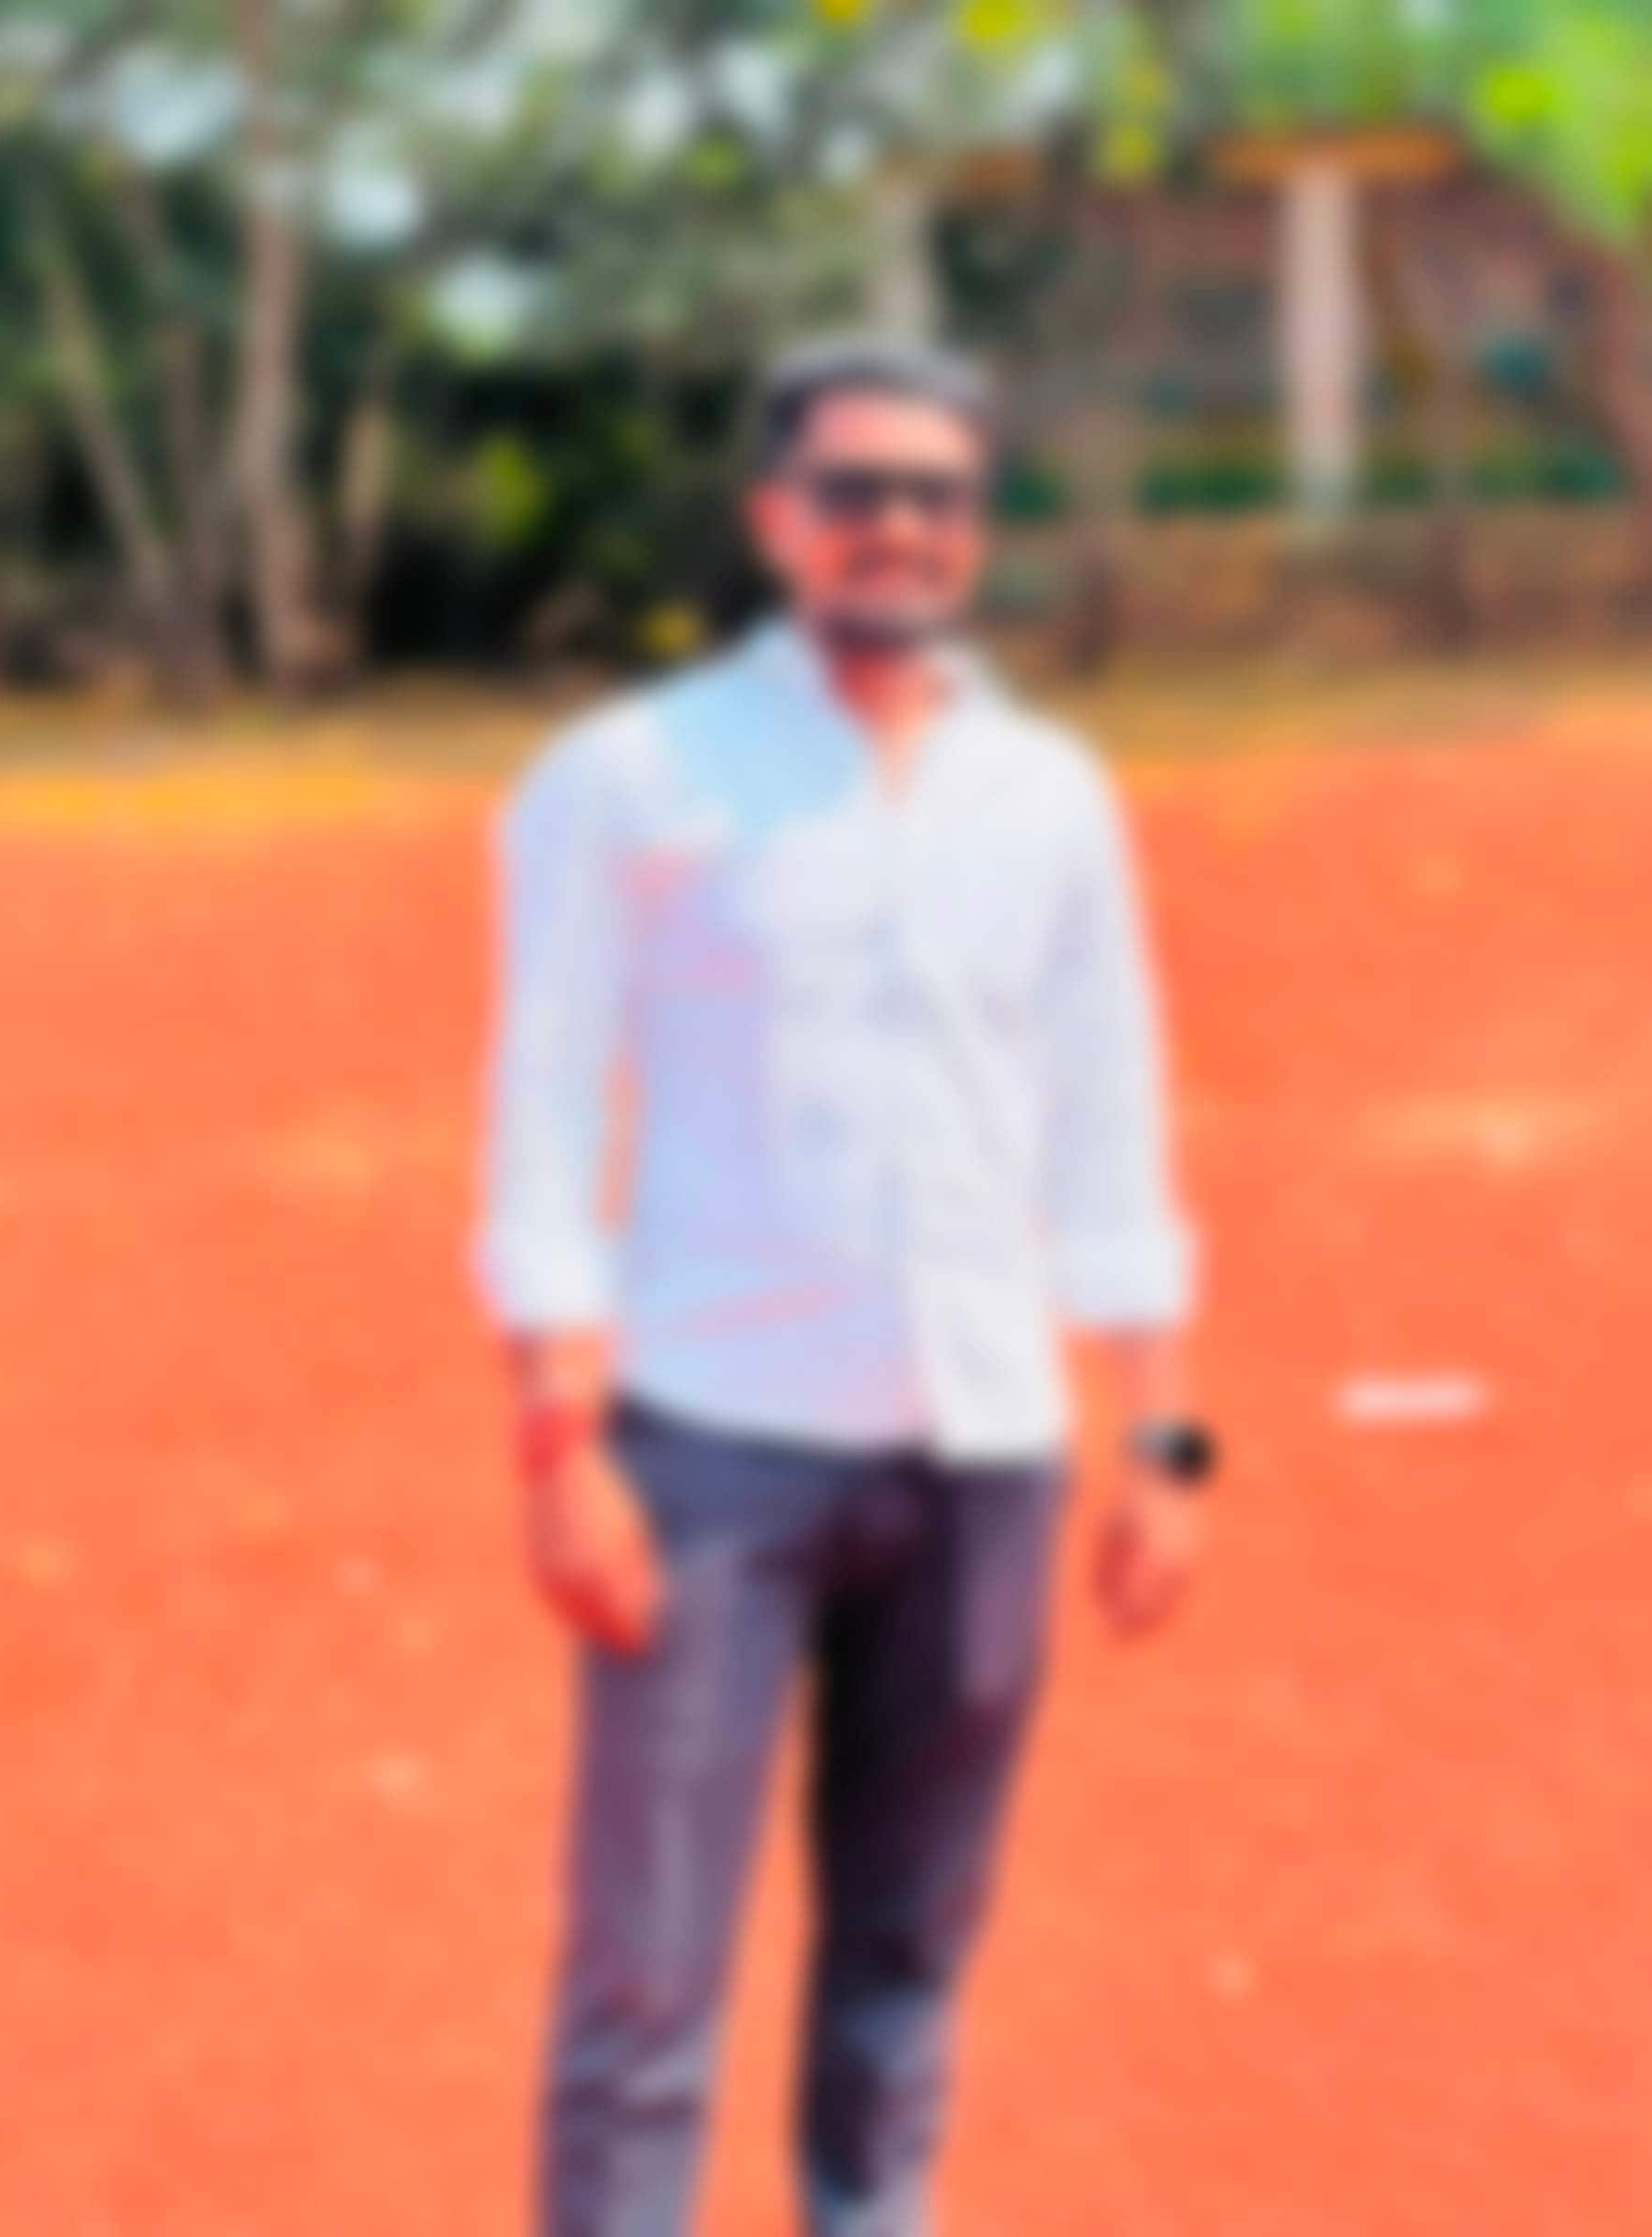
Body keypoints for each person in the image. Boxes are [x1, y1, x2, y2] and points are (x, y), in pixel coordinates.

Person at [475, 336, 1215, 2237]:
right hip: (714, 1456)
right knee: (645, 1972)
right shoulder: (629, 777)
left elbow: (1108, 1113)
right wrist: (557, 1439)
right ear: (775, 516)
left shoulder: (1047, 793)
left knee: (908, 1954)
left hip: (984, 1458)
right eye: (855, 488)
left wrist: (1162, 1433)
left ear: (976, 526)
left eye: (935, 493)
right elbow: (543, 1116)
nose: (897, 524)